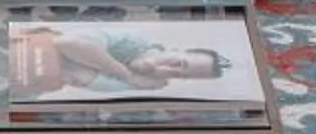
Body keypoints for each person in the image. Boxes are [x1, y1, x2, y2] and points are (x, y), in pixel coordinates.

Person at [12, 26, 232, 97]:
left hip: (17, 82)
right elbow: (67, 43)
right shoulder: (135, 41)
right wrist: (124, 73)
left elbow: (77, 77)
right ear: (174, 50)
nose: (165, 69)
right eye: (178, 64)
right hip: (13, 46)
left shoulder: (143, 84)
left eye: (177, 75)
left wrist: (90, 59)